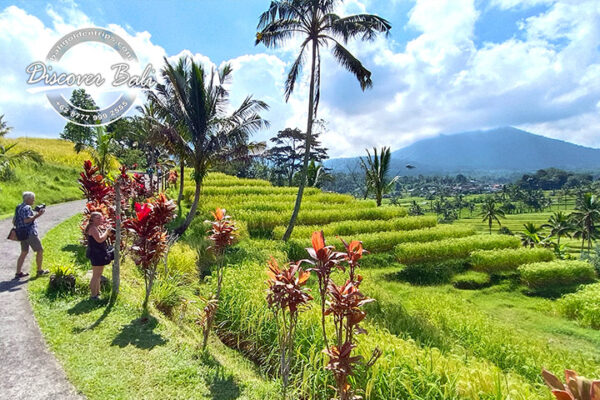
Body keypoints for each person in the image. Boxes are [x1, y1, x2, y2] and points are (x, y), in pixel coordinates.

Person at [14, 191, 47, 279]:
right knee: (40, 250)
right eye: (33, 199)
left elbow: (14, 221)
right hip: (29, 233)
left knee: (24, 252)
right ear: (28, 199)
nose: (34, 201)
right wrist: (38, 215)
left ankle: (18, 272)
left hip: (21, 233)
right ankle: (39, 271)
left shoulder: (18, 207)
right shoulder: (27, 207)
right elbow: (26, 220)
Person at [84, 212, 113, 300]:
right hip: (96, 253)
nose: (100, 220)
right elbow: (99, 239)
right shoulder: (92, 228)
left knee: (98, 275)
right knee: (96, 275)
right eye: (97, 218)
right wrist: (106, 232)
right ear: (92, 219)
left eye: (101, 218)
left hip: (98, 253)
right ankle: (93, 295)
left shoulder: (95, 227)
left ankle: (97, 293)